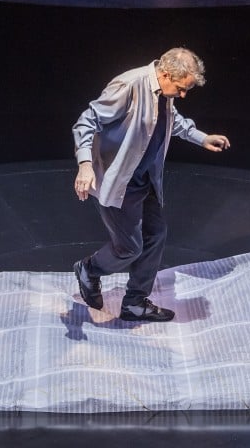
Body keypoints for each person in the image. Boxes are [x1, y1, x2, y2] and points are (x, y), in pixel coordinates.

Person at [72, 47, 231, 322]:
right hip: (119, 182)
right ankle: (89, 269)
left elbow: (172, 121)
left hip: (145, 180)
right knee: (129, 248)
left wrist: (201, 137)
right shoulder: (129, 85)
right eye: (181, 89)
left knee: (155, 235)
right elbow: (88, 120)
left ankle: (135, 302)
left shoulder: (163, 92)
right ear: (166, 74)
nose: (182, 95)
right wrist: (85, 164)